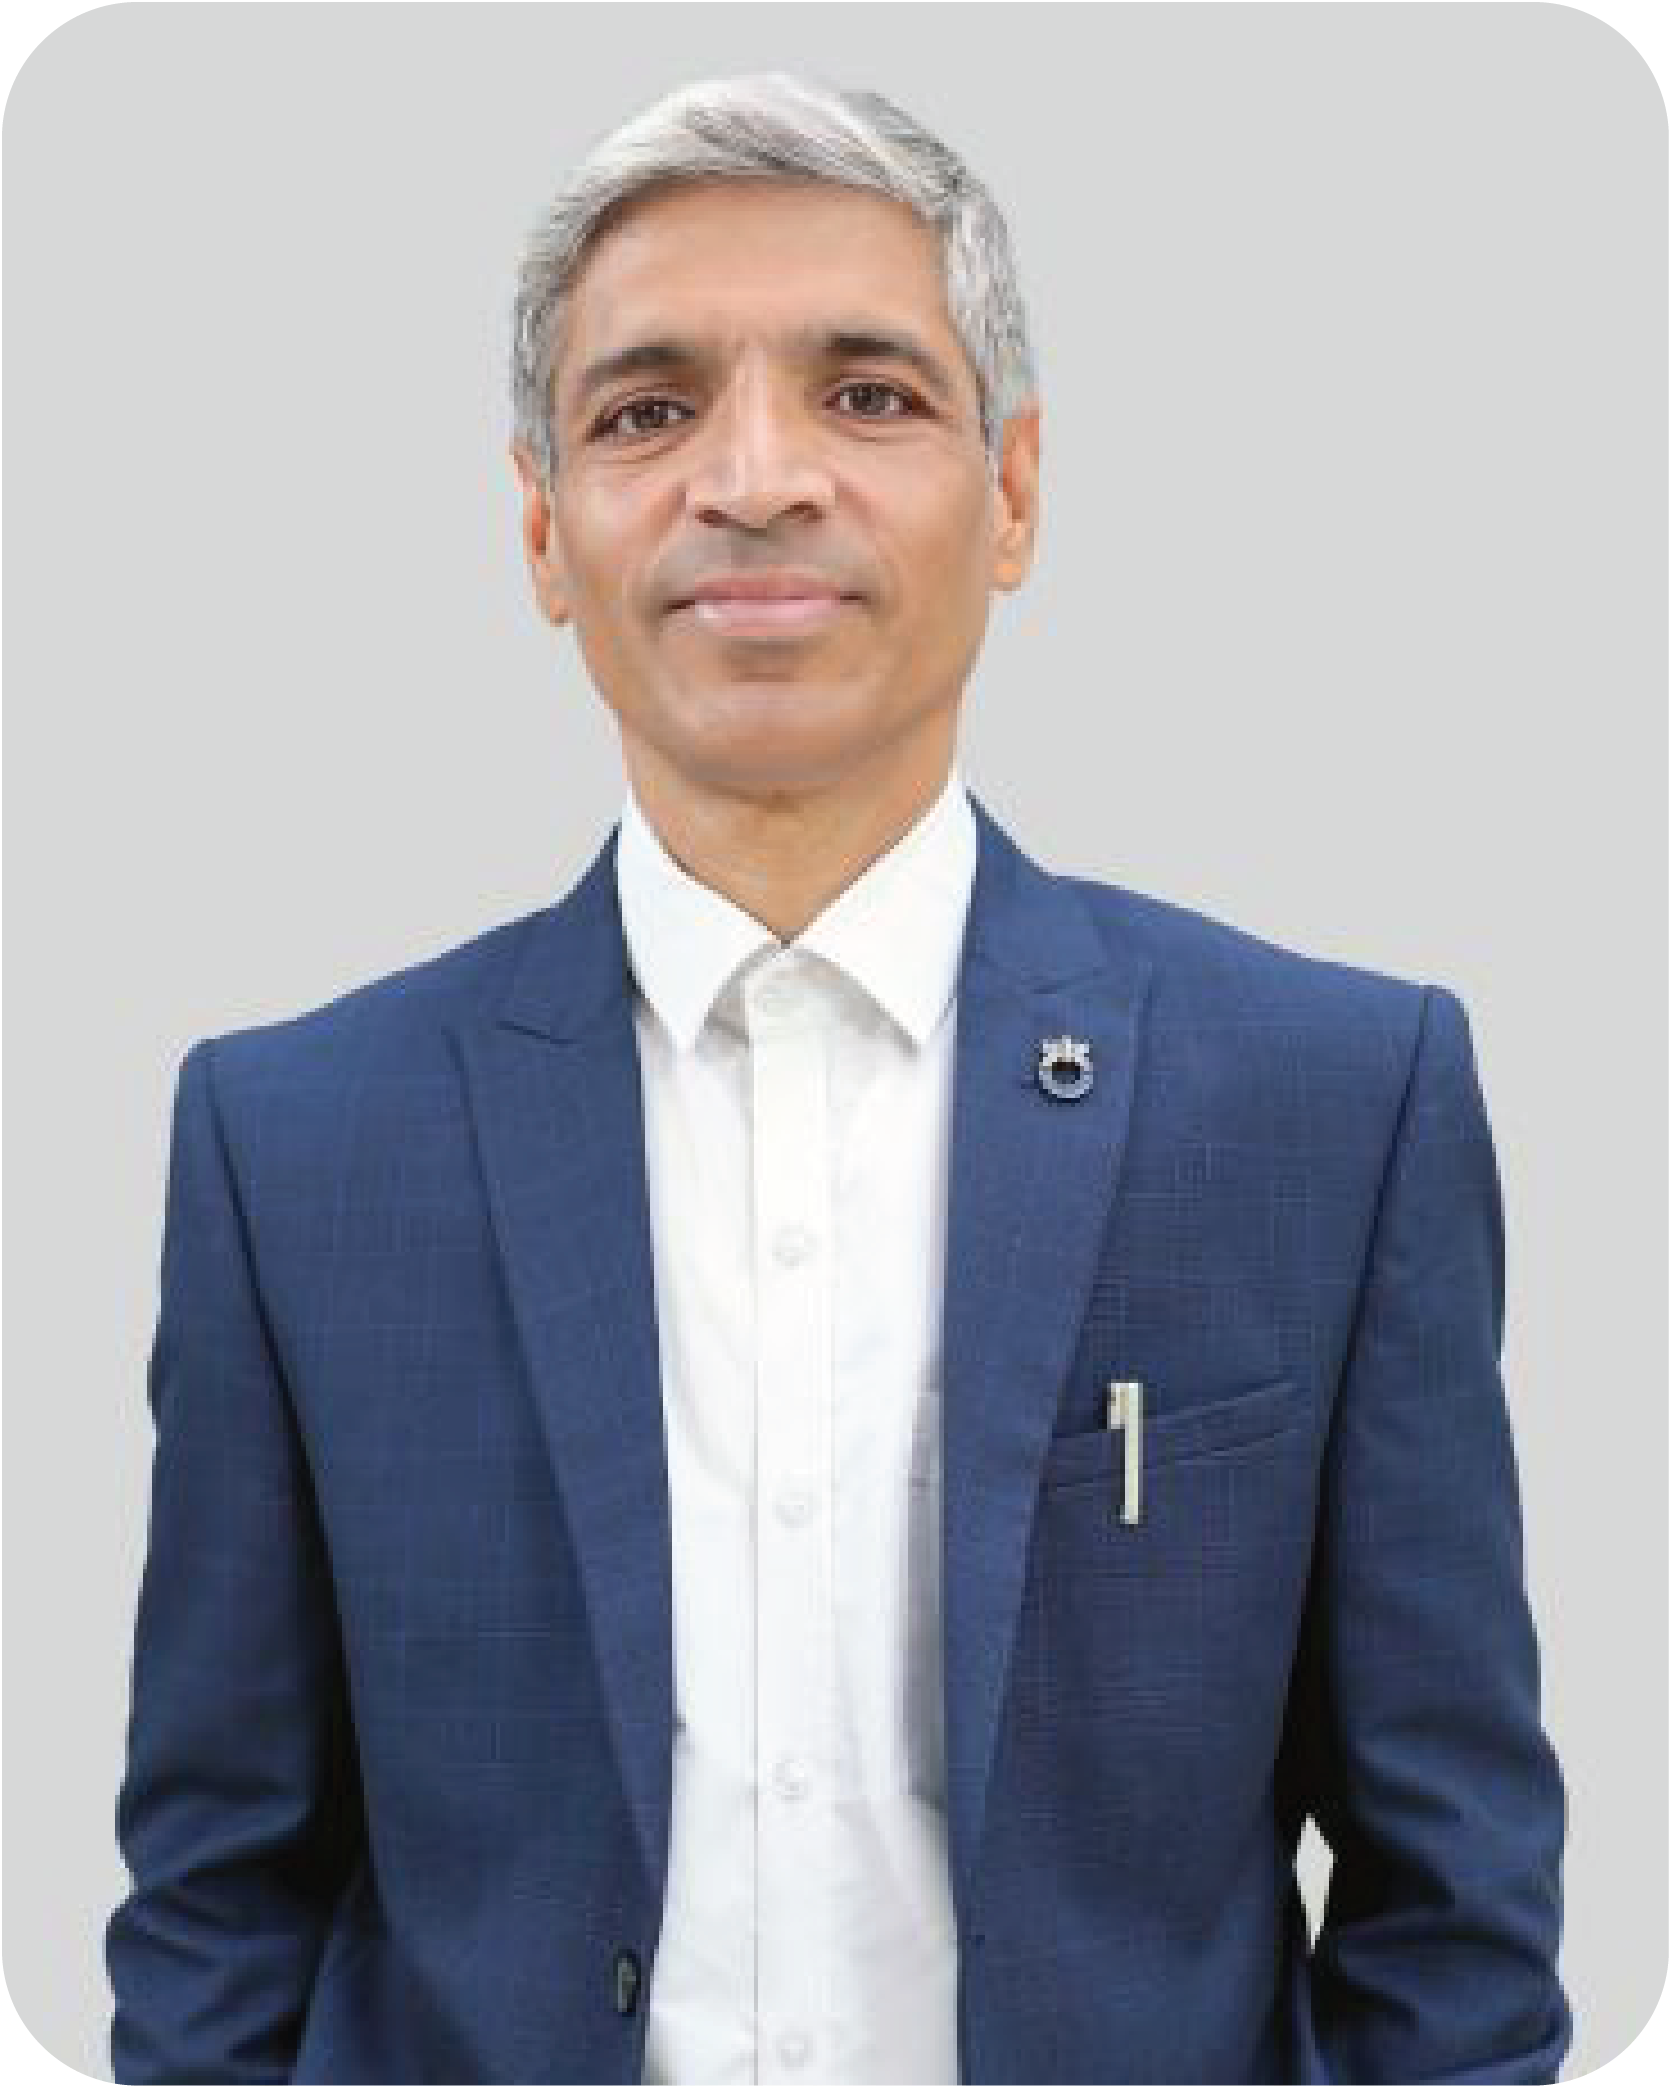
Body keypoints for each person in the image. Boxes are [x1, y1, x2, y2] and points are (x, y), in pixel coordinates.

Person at [105, 69, 1573, 2086]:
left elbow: (1454, 1901)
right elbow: (217, 1894)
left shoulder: (1328, 1103)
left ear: (1015, 490)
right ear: (542, 527)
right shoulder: (296, 1147)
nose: (755, 477)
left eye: (867, 394)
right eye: (647, 411)